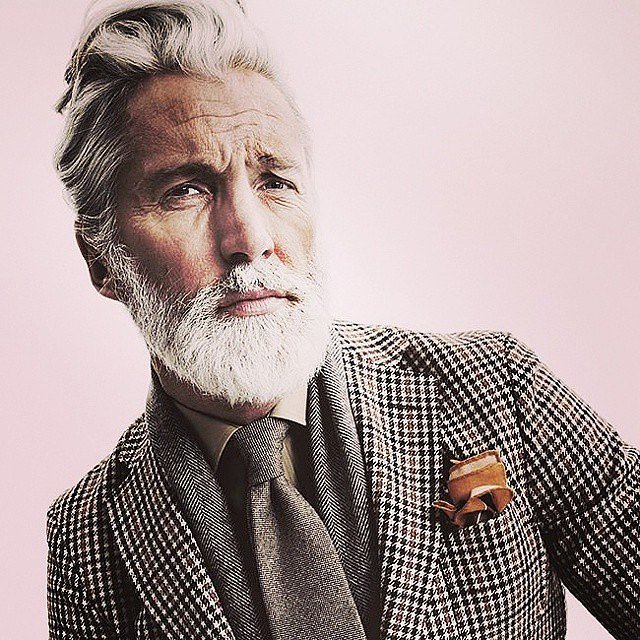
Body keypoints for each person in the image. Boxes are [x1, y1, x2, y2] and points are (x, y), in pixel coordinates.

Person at [46, 1, 639, 639]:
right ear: (101, 258)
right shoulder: (85, 537)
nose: (250, 238)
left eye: (275, 182)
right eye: (184, 191)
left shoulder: (494, 388)